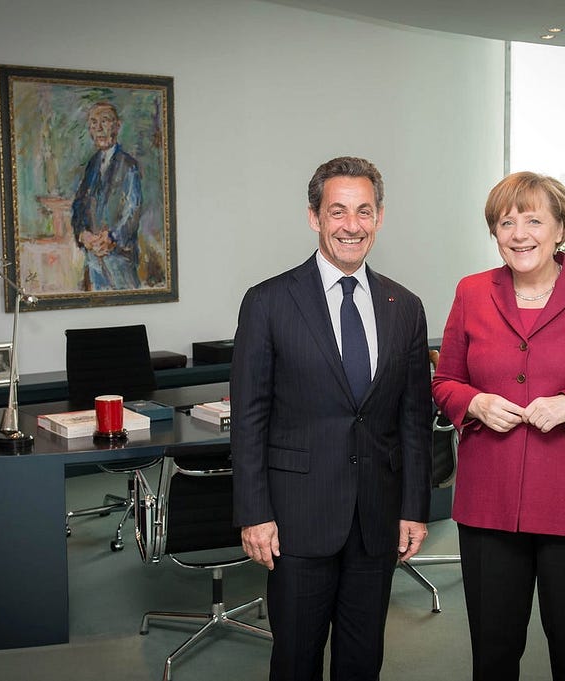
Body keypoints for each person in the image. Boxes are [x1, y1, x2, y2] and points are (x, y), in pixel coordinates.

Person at [431, 171, 565, 681]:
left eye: (534, 220)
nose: (520, 233)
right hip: (490, 503)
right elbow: (445, 382)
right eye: (506, 222)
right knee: (493, 652)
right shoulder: (472, 292)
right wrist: (477, 402)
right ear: (494, 232)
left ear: (559, 230)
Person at [231, 156, 432, 681]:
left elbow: (414, 419)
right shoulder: (268, 302)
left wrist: (413, 508)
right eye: (337, 211)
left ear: (379, 218)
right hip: (296, 519)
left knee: (363, 660)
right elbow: (249, 418)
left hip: (376, 519)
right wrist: (254, 512)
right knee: (296, 660)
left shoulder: (404, 306)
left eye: (364, 211)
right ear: (314, 217)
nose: (351, 226)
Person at [70, 101, 143, 291]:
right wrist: (82, 233)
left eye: (105, 121)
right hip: (94, 261)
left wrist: (112, 236)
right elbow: (79, 206)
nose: (99, 128)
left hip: (120, 260)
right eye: (94, 123)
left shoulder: (128, 165)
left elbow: (132, 211)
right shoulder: (92, 165)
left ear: (117, 126)